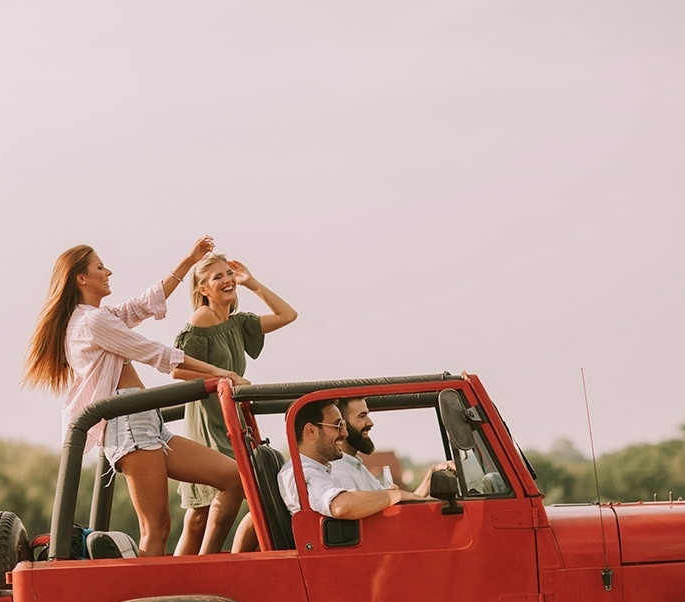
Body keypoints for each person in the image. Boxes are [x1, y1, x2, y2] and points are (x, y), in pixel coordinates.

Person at [22, 236, 248, 557]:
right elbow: (154, 352)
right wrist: (221, 373)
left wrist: (190, 259)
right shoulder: (92, 322)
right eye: (100, 267)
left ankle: (203, 566)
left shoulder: (97, 317)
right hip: (129, 423)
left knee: (233, 478)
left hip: (147, 420)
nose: (109, 271)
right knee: (156, 529)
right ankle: (147, 588)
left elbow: (144, 303)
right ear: (81, 279)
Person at [170, 254, 297, 555]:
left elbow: (287, 315)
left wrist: (251, 283)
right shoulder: (202, 319)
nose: (227, 280)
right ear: (203, 288)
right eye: (217, 277)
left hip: (232, 422)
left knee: (243, 501)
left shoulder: (238, 324)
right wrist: (222, 376)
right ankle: (201, 564)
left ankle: (217, 562)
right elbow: (177, 370)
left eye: (228, 274)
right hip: (209, 421)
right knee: (202, 511)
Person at [278, 400, 426, 519]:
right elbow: (342, 507)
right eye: (337, 425)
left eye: (343, 425)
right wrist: (396, 495)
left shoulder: (319, 469)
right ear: (311, 431)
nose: (344, 433)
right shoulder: (303, 472)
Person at [330, 397, 454, 496]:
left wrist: (432, 473)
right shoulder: (338, 472)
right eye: (362, 416)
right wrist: (393, 497)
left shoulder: (359, 469)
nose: (370, 422)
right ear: (341, 425)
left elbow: (397, 511)